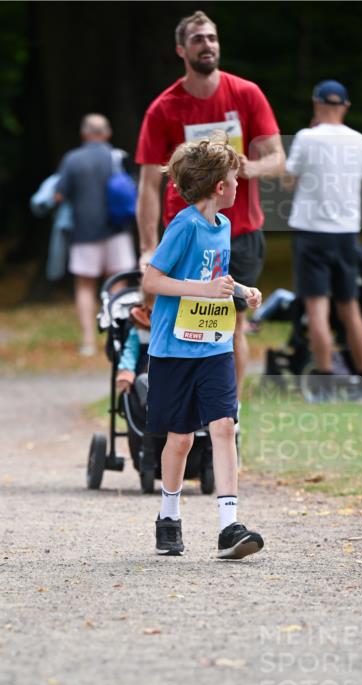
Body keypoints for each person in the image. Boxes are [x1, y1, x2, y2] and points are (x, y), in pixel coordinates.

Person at [135, 9, 284, 410]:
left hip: (240, 232)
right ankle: (180, 407)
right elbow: (149, 184)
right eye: (199, 39)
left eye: (213, 38)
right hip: (186, 234)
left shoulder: (245, 94)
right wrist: (149, 247)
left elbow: (277, 159)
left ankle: (225, 416)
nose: (208, 45)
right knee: (185, 325)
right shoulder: (164, 108)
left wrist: (243, 167)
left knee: (231, 327)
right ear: (182, 49)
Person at [142, 132, 264, 560]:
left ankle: (229, 526)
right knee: (179, 439)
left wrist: (242, 291)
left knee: (224, 426)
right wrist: (203, 289)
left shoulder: (225, 225)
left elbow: (219, 280)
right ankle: (168, 516)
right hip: (174, 350)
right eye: (235, 179)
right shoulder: (184, 225)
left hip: (214, 345)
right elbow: (152, 281)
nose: (238, 186)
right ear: (219, 187)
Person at [284, 80, 362, 395]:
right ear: (346, 106)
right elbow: (360, 180)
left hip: (312, 232)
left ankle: (325, 381)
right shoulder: (361, 141)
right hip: (347, 232)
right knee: (350, 308)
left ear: (316, 103)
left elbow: (288, 180)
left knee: (317, 309)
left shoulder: (307, 138)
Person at [55, 114, 137, 357]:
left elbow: (59, 195)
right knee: (119, 284)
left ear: (84, 134)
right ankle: (117, 336)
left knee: (84, 286)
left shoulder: (72, 159)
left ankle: (89, 341)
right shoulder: (118, 157)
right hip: (117, 231)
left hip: (84, 232)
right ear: (107, 133)